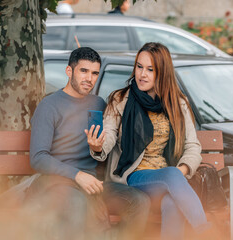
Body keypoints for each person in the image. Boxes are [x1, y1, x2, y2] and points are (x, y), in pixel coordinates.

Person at [88, 42, 210, 240]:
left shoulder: (178, 103)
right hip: (133, 178)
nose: (142, 74)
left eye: (150, 70)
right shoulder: (120, 99)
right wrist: (98, 145)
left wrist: (182, 172)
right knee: (171, 176)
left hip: (170, 177)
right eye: (139, 67)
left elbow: (192, 146)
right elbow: (109, 134)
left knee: (172, 201)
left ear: (162, 73)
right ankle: (209, 234)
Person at [29, 47, 150, 239]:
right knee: (78, 204)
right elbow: (38, 158)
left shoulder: (98, 104)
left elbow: (107, 144)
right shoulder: (49, 106)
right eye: (83, 71)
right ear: (69, 71)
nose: (89, 78)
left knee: (139, 201)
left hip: (93, 183)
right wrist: (77, 176)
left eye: (95, 73)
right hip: (58, 183)